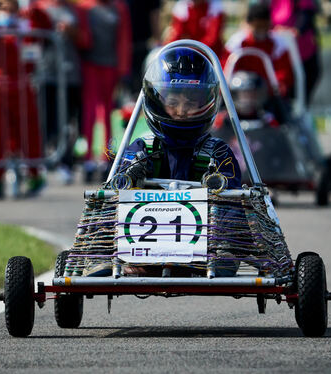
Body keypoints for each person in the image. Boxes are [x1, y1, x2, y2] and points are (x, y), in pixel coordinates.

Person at [83, 47, 241, 277]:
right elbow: (116, 186)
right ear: (157, 100)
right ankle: (101, 253)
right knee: (110, 195)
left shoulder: (218, 151)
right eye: (173, 101)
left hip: (206, 243)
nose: (182, 111)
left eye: (191, 103)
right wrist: (134, 173)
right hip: (140, 241)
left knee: (235, 201)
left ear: (207, 102)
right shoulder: (141, 147)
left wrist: (215, 185)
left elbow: (234, 195)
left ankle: (223, 253)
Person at [0, 0, 45, 198]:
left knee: (30, 133)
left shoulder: (25, 24)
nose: (7, 12)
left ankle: (34, 174)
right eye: (3, 8)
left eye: (11, 8)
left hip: (24, 87)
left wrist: (33, 11)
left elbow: (44, 25)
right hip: (0, 87)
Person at [31, 0, 91, 185]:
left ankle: (66, 163)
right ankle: (41, 162)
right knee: (45, 120)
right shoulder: (41, 9)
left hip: (71, 76)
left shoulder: (77, 11)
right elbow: (32, 36)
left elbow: (86, 40)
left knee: (68, 123)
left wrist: (73, 33)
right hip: (47, 74)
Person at [79, 0, 132, 183]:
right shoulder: (85, 6)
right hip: (90, 65)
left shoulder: (119, 8)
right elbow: (81, 37)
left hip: (110, 66)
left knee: (109, 113)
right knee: (90, 112)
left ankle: (107, 156)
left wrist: (123, 70)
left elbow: (124, 39)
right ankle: (87, 158)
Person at [224, 0, 295, 99]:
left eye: (264, 26)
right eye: (257, 26)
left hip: (268, 95)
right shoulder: (237, 43)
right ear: (249, 24)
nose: (261, 29)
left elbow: (284, 73)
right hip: (239, 95)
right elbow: (226, 71)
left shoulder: (278, 43)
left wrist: (277, 85)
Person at [270, 0, 321, 105]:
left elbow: (306, 14)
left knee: (302, 90)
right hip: (278, 56)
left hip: (303, 53)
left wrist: (295, 31)